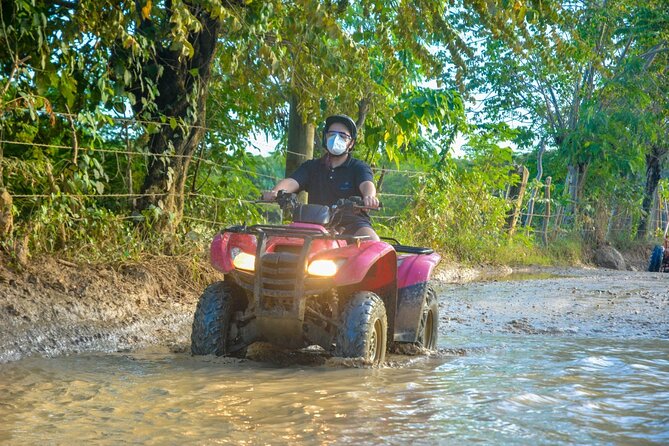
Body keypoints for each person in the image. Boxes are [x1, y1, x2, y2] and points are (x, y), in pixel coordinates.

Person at [263, 114, 380, 241]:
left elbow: (367, 184)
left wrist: (370, 197)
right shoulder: (311, 167)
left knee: (373, 242)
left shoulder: (358, 167)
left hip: (353, 224)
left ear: (351, 143)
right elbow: (292, 181)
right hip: (313, 224)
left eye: (342, 136)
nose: (336, 138)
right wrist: (275, 192)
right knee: (273, 243)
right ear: (325, 137)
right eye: (332, 134)